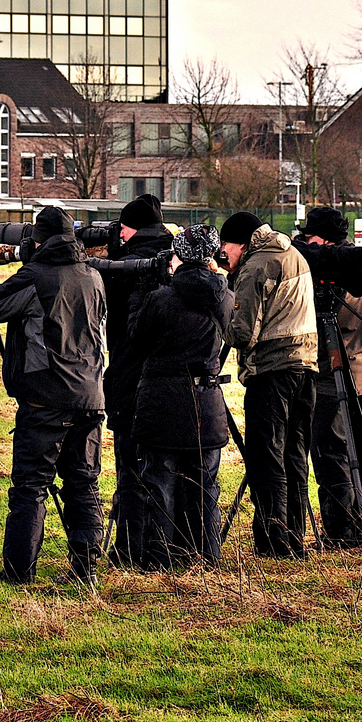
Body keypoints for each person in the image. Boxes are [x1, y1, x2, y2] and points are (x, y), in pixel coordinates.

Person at [0, 205, 108, 585]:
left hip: (46, 398)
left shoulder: (36, 277)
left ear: (37, 240)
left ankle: (18, 574)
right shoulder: (92, 276)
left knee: (30, 487)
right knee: (83, 483)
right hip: (90, 396)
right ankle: (86, 570)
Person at [125, 224, 233, 569]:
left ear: (178, 255)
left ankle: (159, 561)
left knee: (159, 483)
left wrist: (142, 291)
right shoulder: (224, 295)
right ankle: (207, 558)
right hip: (207, 397)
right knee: (205, 486)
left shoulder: (161, 298)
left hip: (163, 400)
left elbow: (136, 340)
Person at [220, 210, 318, 559]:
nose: (222, 254)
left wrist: (221, 316)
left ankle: (273, 541)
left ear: (240, 243)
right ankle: (294, 538)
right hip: (305, 369)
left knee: (267, 458)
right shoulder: (293, 254)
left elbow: (243, 331)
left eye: (225, 246)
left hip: (271, 373)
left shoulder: (257, 265)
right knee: (295, 456)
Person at [293, 206, 362, 546]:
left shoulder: (341, 271)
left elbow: (334, 320)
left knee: (332, 454)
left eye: (310, 236)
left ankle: (344, 531)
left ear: (324, 240)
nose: (305, 243)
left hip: (335, 374)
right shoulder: (356, 266)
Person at [99, 194, 175, 567]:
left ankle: (130, 550)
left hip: (130, 376)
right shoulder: (176, 258)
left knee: (130, 470)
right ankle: (167, 546)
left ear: (131, 230)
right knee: (166, 469)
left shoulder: (122, 268)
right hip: (173, 381)